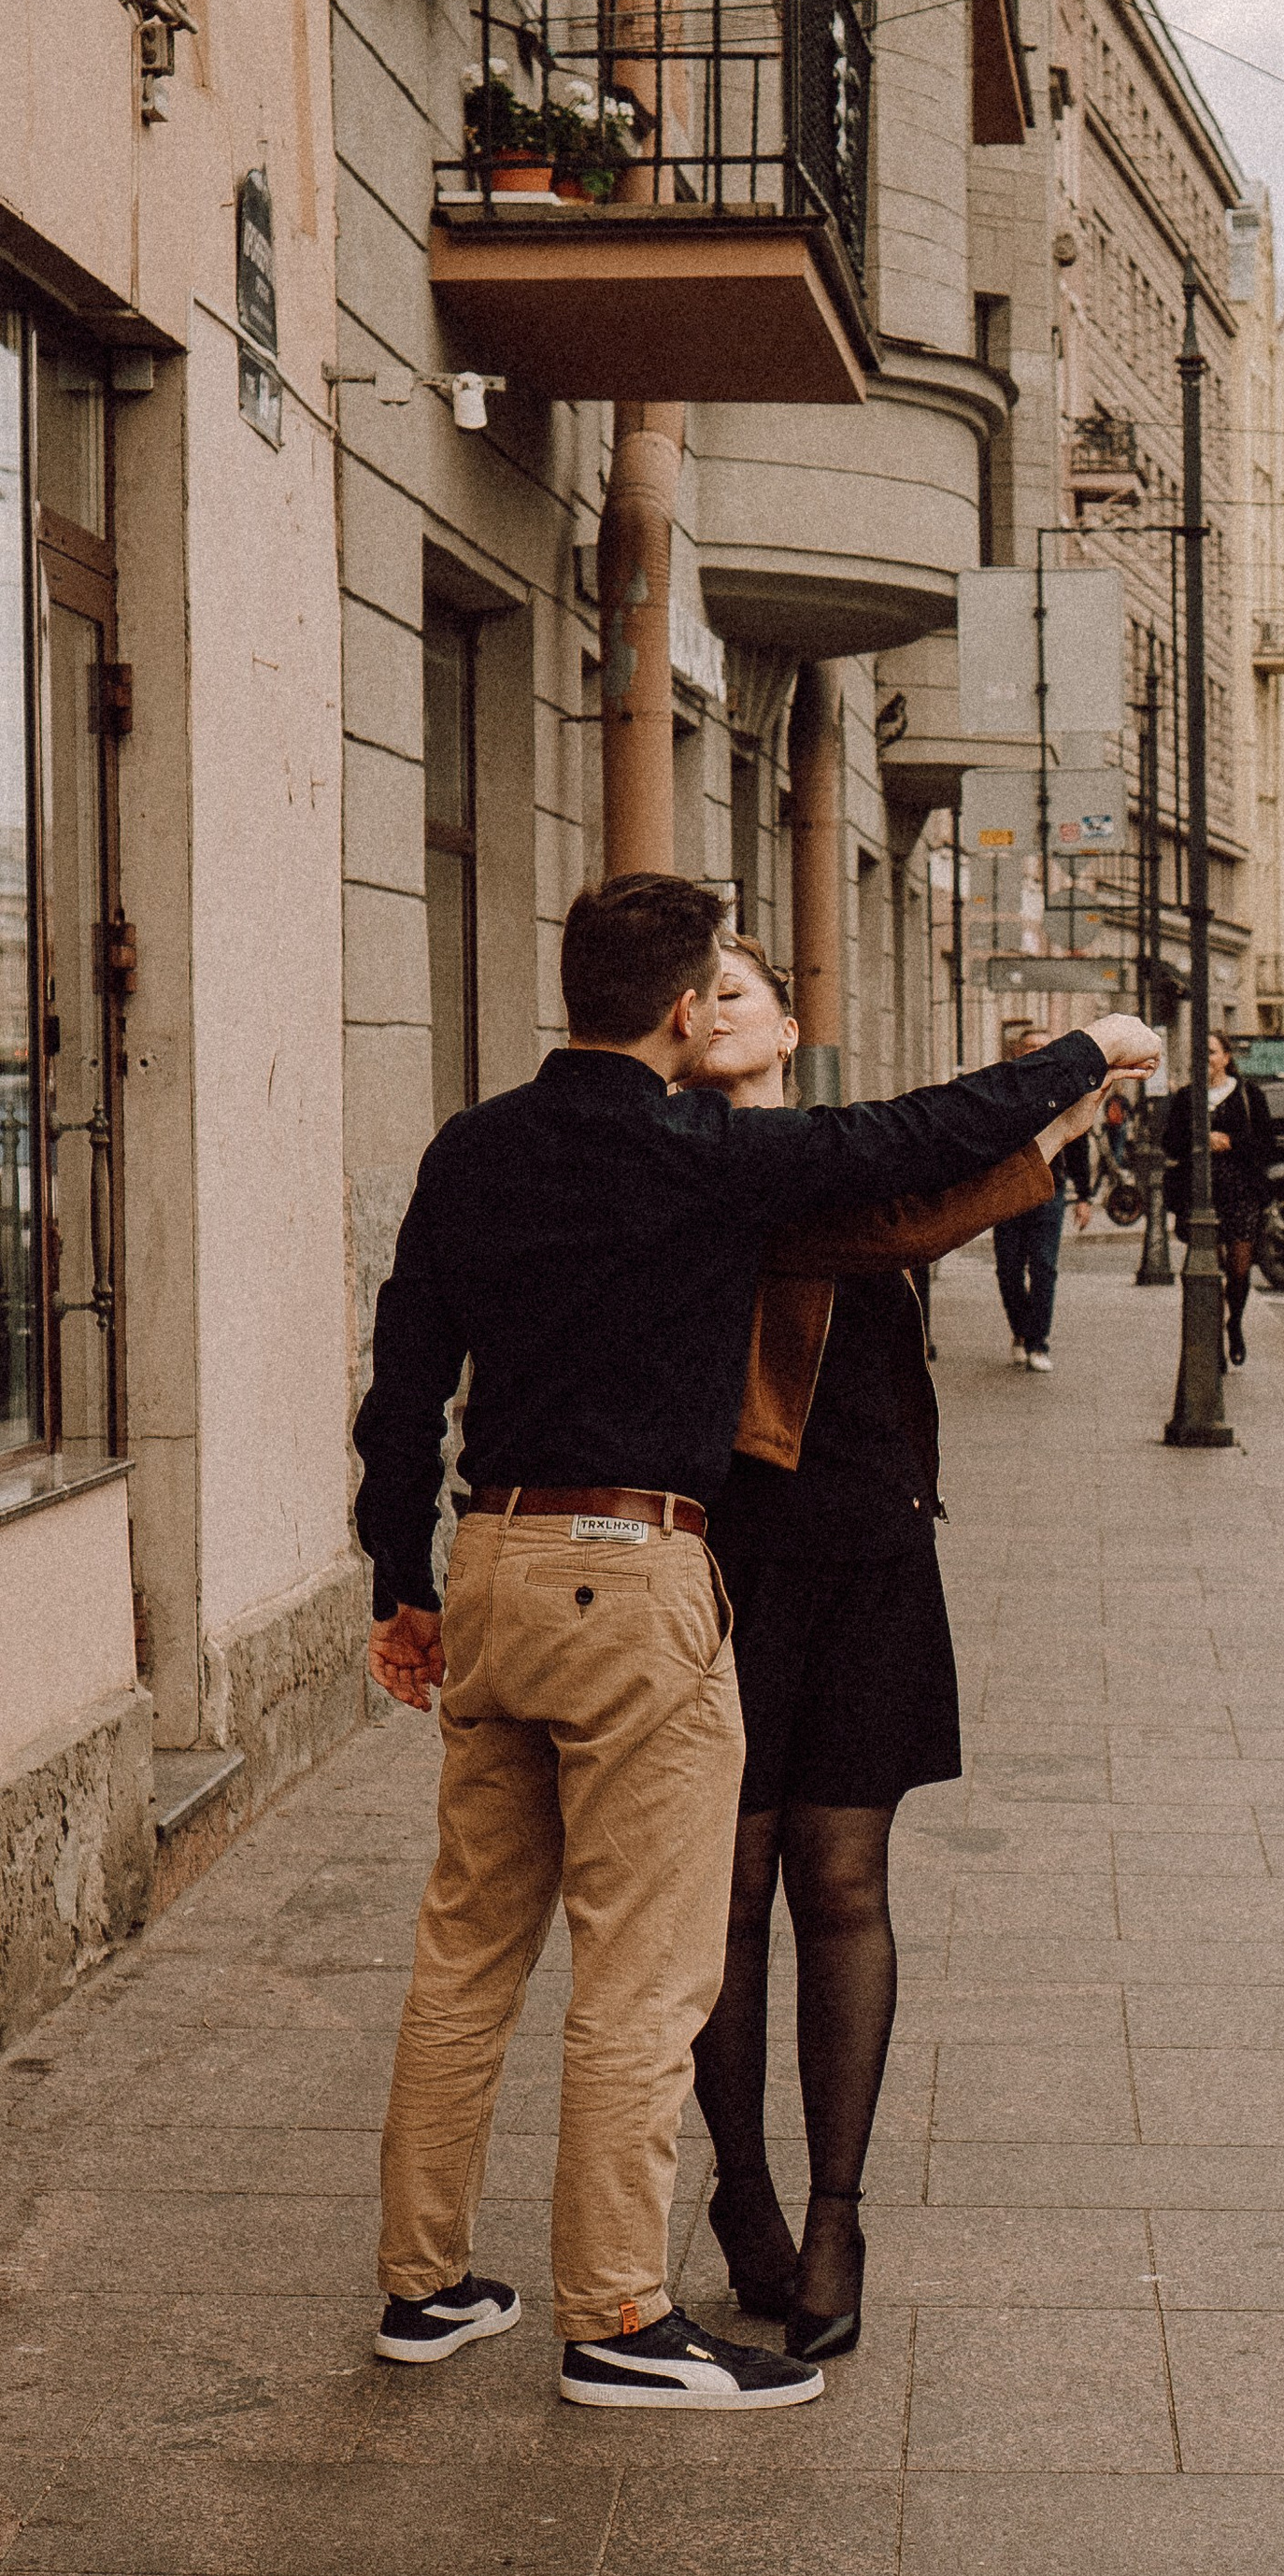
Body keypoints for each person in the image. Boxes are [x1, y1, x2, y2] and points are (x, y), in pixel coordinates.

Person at [353, 872, 1156, 2413]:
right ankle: (617, 2318)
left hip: (494, 1566)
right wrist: (1084, 1053)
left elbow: (403, 1383)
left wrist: (406, 1577)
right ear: (673, 1011)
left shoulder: (473, 1149)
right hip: (630, 1573)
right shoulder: (694, 1153)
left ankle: (428, 2284)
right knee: (649, 1975)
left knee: (466, 1951)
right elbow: (897, 1148)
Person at [685, 939, 1042, 2353]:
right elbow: (889, 1226)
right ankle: (747, 2190)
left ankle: (837, 2214)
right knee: (727, 1884)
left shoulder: (847, 1155)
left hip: (873, 1551)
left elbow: (895, 1211)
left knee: (842, 1877)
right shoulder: (691, 1169)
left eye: (741, 987)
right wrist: (1044, 1117)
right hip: (726, 1563)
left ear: (787, 1023)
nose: (718, 1003)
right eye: (696, 988)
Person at [1162, 1031, 1272, 1365]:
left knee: (1238, 1267)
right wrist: (1200, 1138)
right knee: (1207, 1270)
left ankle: (1234, 1323)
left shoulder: (1249, 1095)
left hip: (1241, 1192)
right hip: (1200, 1195)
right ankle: (1212, 1343)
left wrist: (1232, 1142)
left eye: (1211, 1052)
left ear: (1225, 1058)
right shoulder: (1186, 1098)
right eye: (1199, 1053)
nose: (1205, 1060)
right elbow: (1170, 1144)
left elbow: (1268, 1144)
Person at [992, 1027, 1093, 1373]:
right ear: (1018, 1052)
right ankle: (1020, 1330)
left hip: (1050, 1186)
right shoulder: (1003, 1087)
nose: (1036, 1051)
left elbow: (1078, 1144)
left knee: (1044, 1266)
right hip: (1006, 1188)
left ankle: (1038, 1342)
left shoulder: (1067, 1091)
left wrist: (1085, 1196)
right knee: (1007, 1268)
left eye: (1043, 1046)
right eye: (1030, 1046)